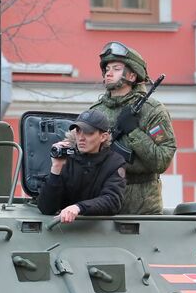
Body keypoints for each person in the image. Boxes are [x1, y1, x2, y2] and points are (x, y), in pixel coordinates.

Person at [87, 42, 176, 214]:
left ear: (132, 75)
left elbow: (162, 159)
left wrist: (134, 132)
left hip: (142, 208)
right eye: (107, 68)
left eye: (117, 68)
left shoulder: (152, 111)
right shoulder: (96, 111)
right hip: (103, 202)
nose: (109, 72)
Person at [37, 111, 128, 222]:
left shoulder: (114, 162)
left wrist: (79, 208)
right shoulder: (65, 158)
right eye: (78, 131)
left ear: (103, 137)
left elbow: (112, 201)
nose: (81, 137)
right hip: (64, 228)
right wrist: (56, 168)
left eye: (88, 133)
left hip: (98, 230)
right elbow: (46, 208)